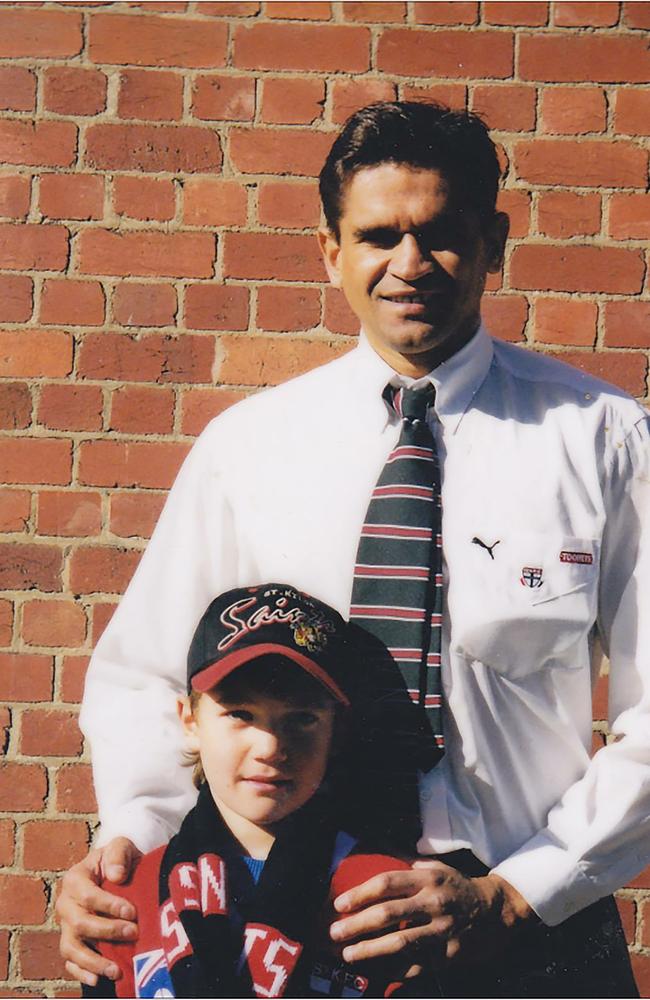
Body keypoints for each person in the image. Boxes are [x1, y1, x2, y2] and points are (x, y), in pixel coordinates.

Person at [58, 102, 649, 996]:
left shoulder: (604, 442)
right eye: (377, 236)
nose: (408, 265)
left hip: (526, 930)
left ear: (492, 240)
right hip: (291, 930)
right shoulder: (248, 449)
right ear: (330, 252)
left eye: (440, 234)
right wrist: (134, 856)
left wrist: (515, 895)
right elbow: (145, 677)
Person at [81, 582, 430, 999]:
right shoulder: (124, 898)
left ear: (336, 732)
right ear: (190, 722)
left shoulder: (384, 895)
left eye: (302, 719)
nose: (270, 748)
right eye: (240, 714)